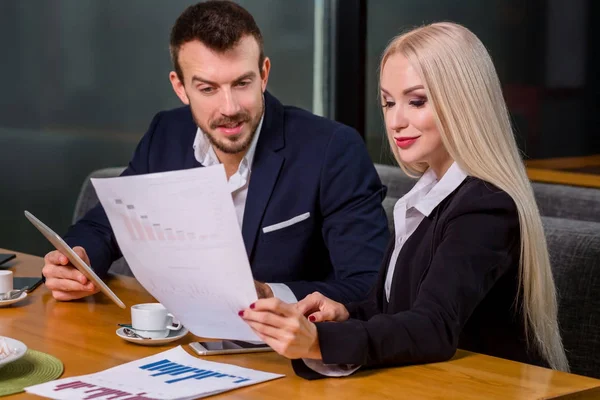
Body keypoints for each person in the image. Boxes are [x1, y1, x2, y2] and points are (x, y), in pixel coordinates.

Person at [239, 22, 569, 378]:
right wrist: (345, 313)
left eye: (417, 101)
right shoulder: (424, 198)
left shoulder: (485, 205)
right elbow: (394, 310)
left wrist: (319, 340)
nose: (395, 121)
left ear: (463, 101)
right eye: (388, 102)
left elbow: (433, 327)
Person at [41, 0, 389, 305]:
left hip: (288, 356)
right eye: (207, 88)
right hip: (177, 343)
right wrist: (77, 260)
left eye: (242, 83)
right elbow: (107, 225)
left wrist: (271, 295)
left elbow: (368, 285)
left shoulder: (333, 150)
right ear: (180, 87)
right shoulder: (166, 134)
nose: (229, 107)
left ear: (264, 75)